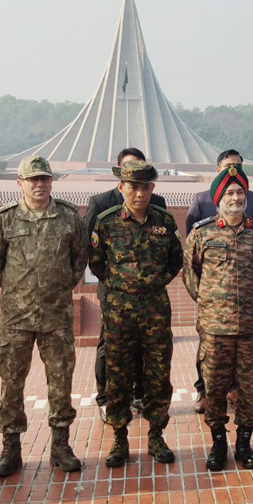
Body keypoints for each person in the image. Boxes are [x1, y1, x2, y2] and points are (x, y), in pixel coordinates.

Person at [0, 155, 88, 477]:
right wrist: (20, 292)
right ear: (20, 183)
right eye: (33, 179)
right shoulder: (4, 220)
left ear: (51, 182)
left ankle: (60, 446)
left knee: (60, 382)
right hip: (16, 318)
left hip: (56, 316)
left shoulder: (69, 218)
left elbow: (79, 260)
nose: (39, 184)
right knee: (11, 383)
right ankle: (11, 448)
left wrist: (55, 290)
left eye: (44, 179)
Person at [89, 160, 183, 467]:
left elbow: (174, 261)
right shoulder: (106, 222)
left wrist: (153, 283)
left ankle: (156, 437)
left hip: (155, 311)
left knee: (158, 375)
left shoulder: (164, 221)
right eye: (133, 187)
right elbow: (97, 263)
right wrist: (121, 286)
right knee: (118, 376)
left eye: (145, 187)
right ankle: (119, 438)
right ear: (121, 187)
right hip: (119, 315)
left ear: (152, 188)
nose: (140, 193)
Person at [184, 165, 253, 471]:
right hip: (214, 329)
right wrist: (211, 304)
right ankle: (218, 441)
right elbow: (190, 276)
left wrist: (246, 304)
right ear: (218, 198)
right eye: (229, 193)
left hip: (250, 329)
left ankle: (244, 443)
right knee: (215, 388)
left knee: (250, 389)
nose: (236, 198)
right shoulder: (201, 233)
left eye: (240, 192)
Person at [83, 147, 166, 423]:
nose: (137, 184)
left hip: (150, 297)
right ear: (120, 176)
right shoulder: (101, 203)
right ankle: (106, 398)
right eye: (129, 172)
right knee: (111, 346)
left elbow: (171, 255)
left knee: (146, 347)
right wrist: (116, 282)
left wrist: (154, 281)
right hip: (115, 293)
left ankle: (140, 395)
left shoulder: (159, 206)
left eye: (142, 175)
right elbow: (91, 252)